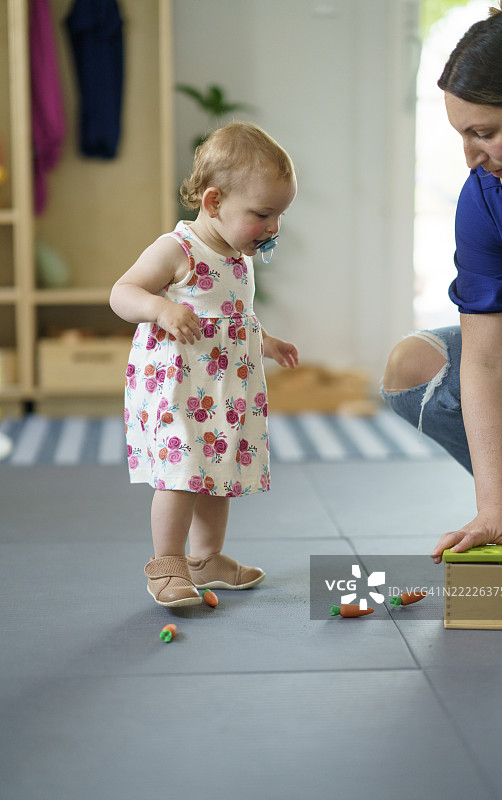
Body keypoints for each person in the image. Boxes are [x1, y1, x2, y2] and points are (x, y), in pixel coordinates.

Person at [110, 121, 298, 607]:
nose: (273, 227)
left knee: (218, 474)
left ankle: (206, 558)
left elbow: (233, 317)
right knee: (182, 474)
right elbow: (122, 293)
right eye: (263, 214)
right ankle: (166, 564)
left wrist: (267, 341)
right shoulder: (178, 248)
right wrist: (161, 309)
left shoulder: (238, 256)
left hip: (226, 392)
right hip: (181, 389)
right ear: (213, 202)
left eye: (279, 215)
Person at [381, 2, 502, 577]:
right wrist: (494, 512)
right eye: (462, 135)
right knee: (415, 363)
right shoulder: (488, 196)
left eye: (485, 133)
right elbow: (490, 361)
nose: (470, 157)